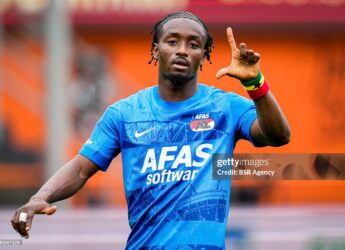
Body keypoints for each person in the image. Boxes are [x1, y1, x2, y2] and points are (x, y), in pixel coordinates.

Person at [11, 12, 290, 249]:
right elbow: (81, 168)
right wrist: (39, 197)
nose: (182, 50)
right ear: (156, 50)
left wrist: (257, 84)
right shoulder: (125, 113)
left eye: (194, 45)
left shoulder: (225, 107)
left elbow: (278, 136)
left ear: (204, 57)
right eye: (172, 41)